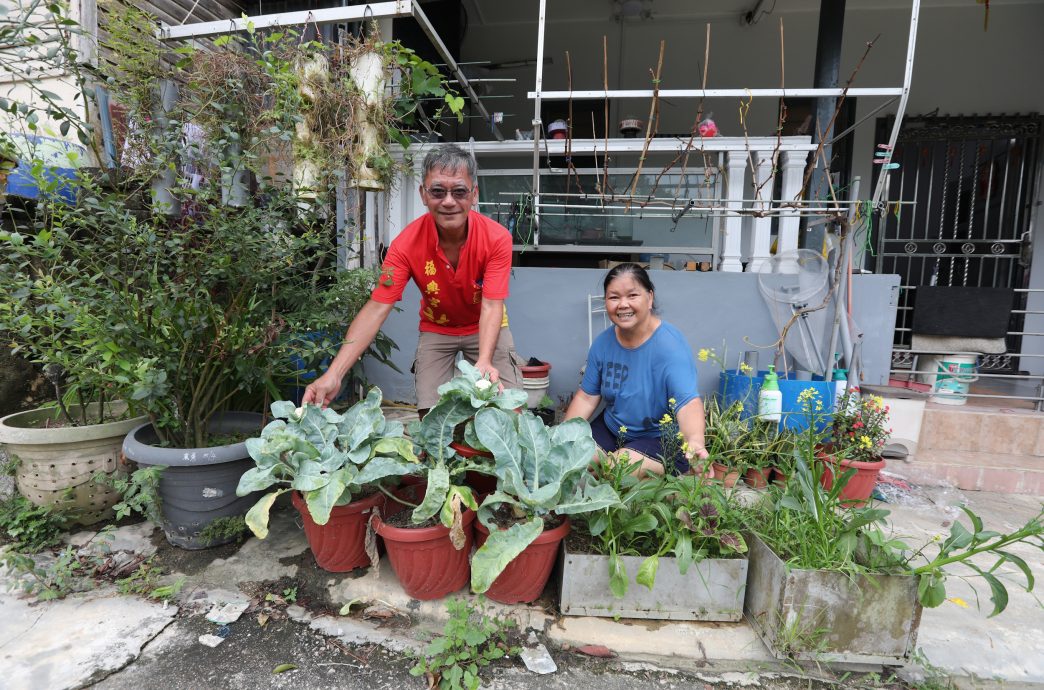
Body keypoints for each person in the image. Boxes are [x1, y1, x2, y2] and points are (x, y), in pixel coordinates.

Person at [303, 144, 523, 416]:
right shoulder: (405, 245)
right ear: (423, 194)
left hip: (486, 327)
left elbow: (491, 305)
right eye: (438, 191)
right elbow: (377, 308)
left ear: (474, 194)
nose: (449, 201)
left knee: (509, 410)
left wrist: (486, 361)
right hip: (437, 328)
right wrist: (334, 374)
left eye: (459, 191)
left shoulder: (497, 238)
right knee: (433, 421)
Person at [563, 263, 709, 476]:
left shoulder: (670, 346)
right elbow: (586, 397)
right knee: (574, 458)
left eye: (632, 295)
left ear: (649, 298)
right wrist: (562, 438)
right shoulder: (603, 344)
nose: (623, 304)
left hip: (660, 437)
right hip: (613, 428)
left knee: (618, 469)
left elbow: (687, 403)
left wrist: (695, 441)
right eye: (614, 297)